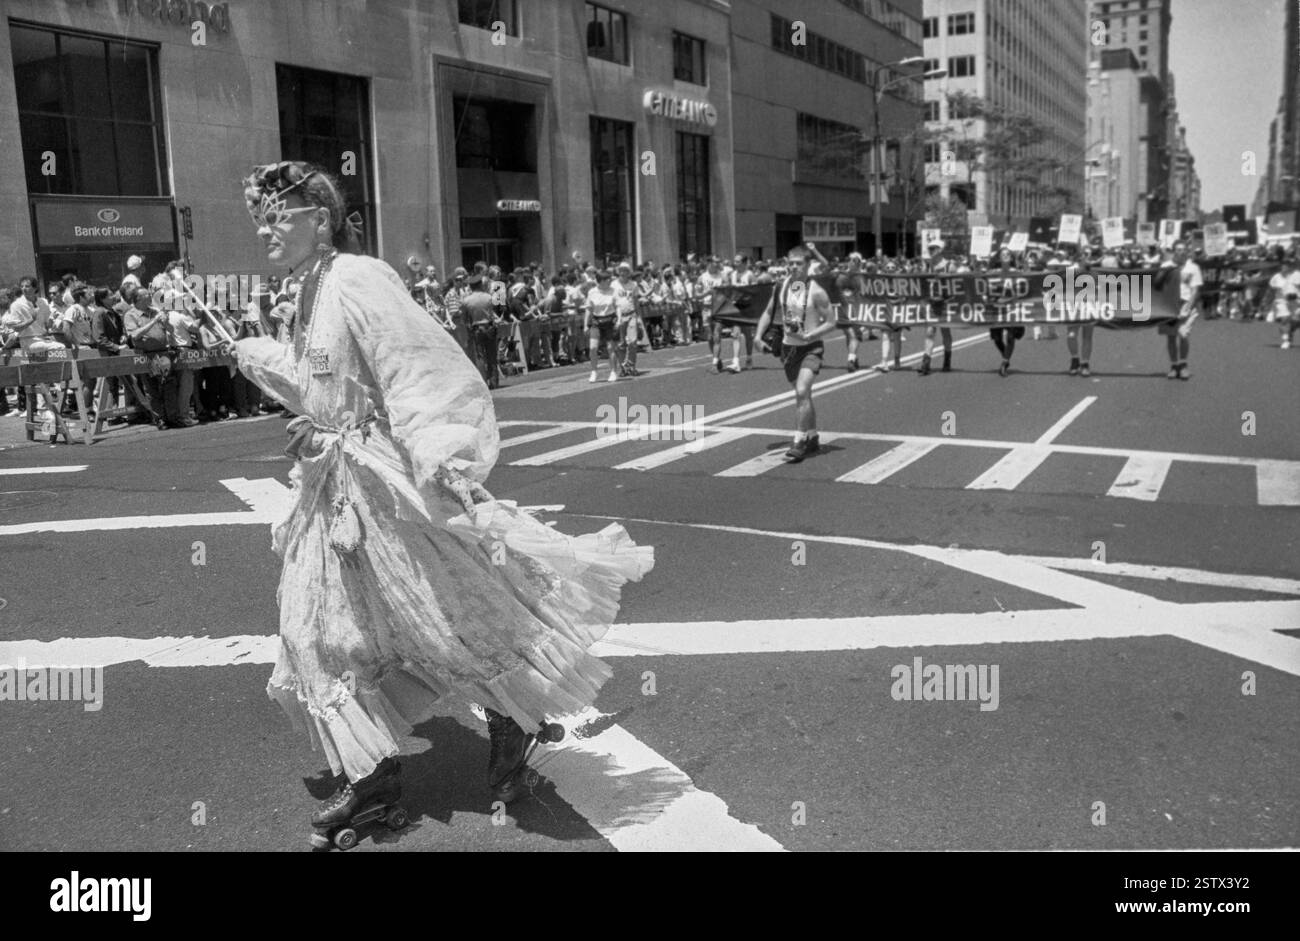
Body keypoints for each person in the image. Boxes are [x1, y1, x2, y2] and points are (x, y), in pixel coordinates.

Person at [218, 160, 654, 829]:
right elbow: (323, 389)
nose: (266, 230)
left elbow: (413, 364)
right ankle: (374, 778)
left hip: (378, 484)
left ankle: (512, 718)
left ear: (321, 220)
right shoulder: (309, 293)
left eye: (279, 215)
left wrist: (439, 447)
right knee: (319, 631)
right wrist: (257, 357)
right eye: (261, 219)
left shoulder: (357, 278)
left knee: (449, 613)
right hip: (330, 488)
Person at [754, 246, 836, 463]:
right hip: (789, 349)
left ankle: (799, 440)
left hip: (811, 347)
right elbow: (769, 312)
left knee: (801, 391)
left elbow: (831, 322)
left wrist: (811, 335)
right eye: (790, 263)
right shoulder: (782, 286)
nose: (793, 267)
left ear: (808, 265)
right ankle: (812, 435)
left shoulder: (817, 291)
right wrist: (758, 335)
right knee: (804, 395)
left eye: (799, 263)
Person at [1160, 243, 1200, 380]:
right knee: (1171, 337)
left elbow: (1195, 290)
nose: (1181, 252)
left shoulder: (1193, 268)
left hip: (1185, 303)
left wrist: (1188, 306)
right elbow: (1158, 285)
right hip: (1169, 305)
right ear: (1174, 252)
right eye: (1178, 250)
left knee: (1183, 335)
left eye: (1183, 250)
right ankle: (1174, 365)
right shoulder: (1165, 267)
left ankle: (1183, 365)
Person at [918, 242, 953, 376]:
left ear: (940, 249)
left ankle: (947, 360)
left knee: (945, 332)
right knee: (930, 331)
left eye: (933, 248)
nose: (931, 250)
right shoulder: (927, 266)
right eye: (929, 248)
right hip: (931, 303)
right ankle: (926, 363)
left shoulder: (950, 266)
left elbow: (959, 283)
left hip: (946, 303)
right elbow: (922, 284)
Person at [584, 269, 621, 382]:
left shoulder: (614, 291)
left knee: (611, 348)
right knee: (593, 347)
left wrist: (619, 320)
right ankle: (594, 371)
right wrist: (586, 324)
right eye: (607, 280)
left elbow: (618, 306)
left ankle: (613, 371)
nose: (610, 281)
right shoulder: (592, 292)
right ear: (601, 281)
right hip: (596, 321)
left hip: (610, 321)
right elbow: (589, 309)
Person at [1268, 255, 1300, 348]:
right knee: (1285, 319)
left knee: (1296, 321)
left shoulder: (1297, 275)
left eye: (1288, 265)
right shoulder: (1276, 277)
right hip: (1281, 301)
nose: (1285, 267)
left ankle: (1290, 331)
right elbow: (1271, 289)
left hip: (1296, 301)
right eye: (1284, 265)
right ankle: (1286, 340)